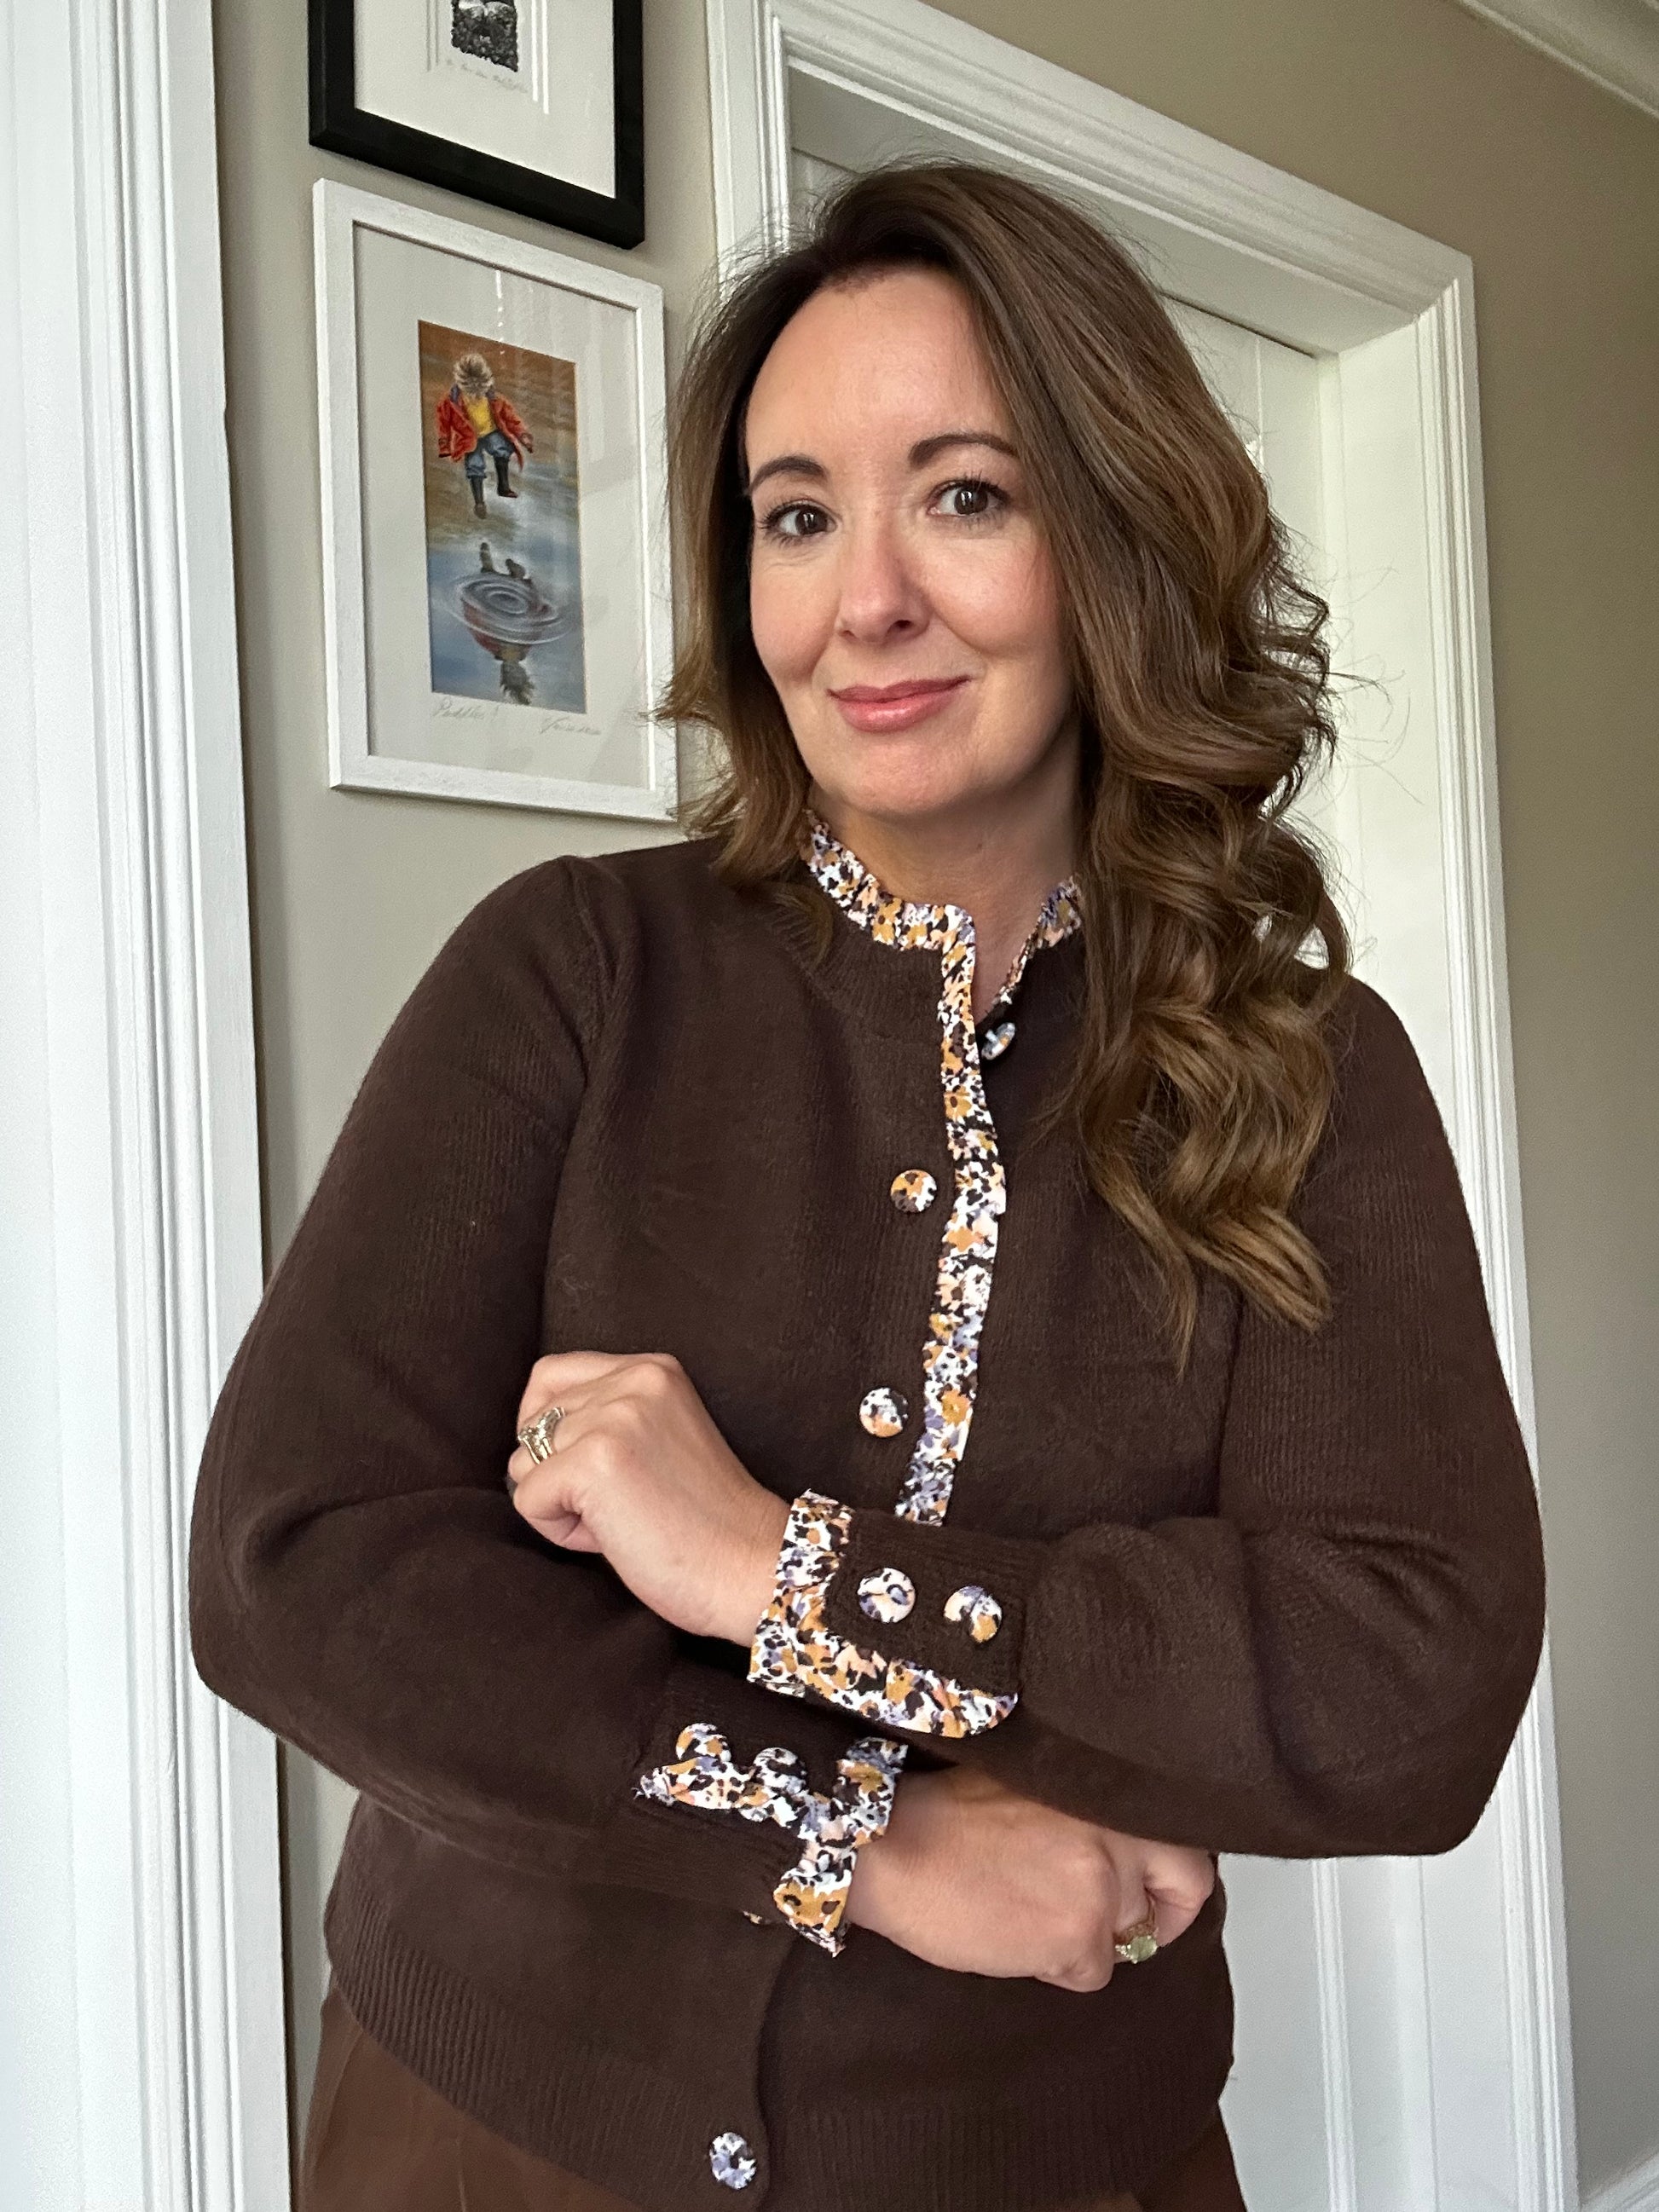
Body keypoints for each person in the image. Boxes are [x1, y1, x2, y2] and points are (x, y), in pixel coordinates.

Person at [188, 161, 1546, 2212]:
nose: (865, 603)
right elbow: (295, 1560)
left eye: (964, 497)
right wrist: (870, 1835)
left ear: (1118, 539)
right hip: (486, 2134)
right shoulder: (575, 969)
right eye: (798, 515)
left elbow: (1409, 1678)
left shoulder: (1305, 1072)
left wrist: (777, 1567)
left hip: (1042, 2156)